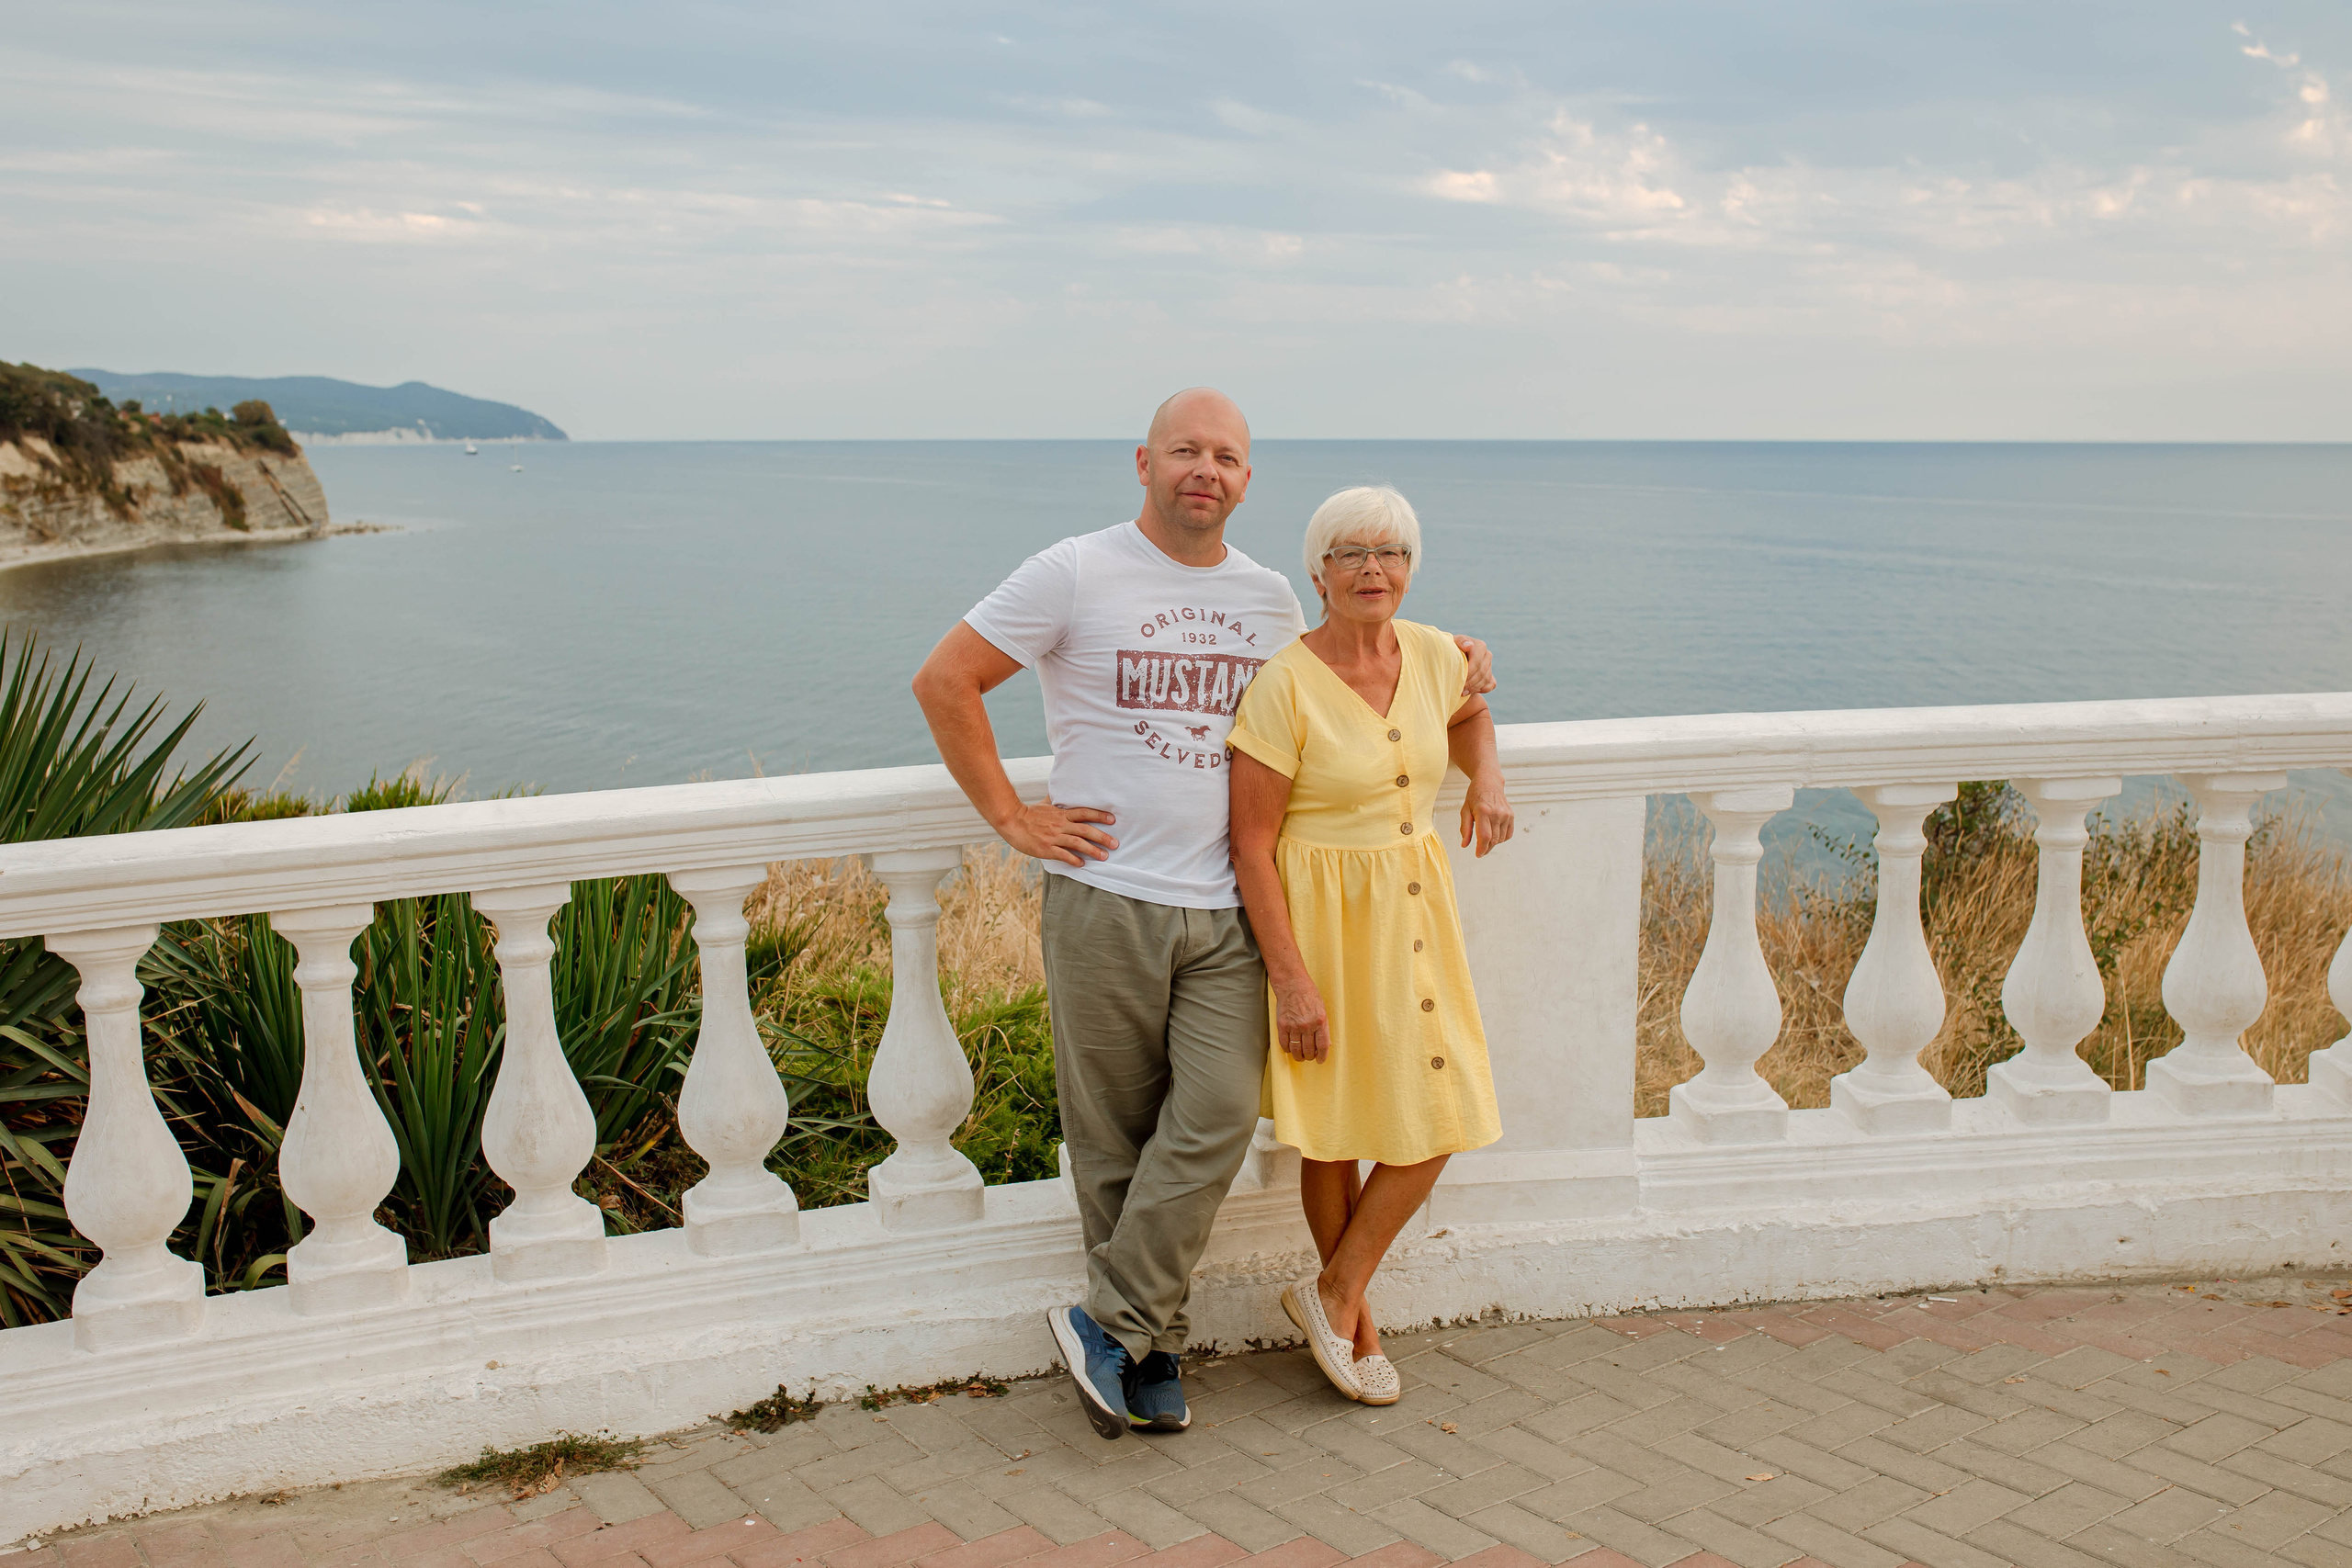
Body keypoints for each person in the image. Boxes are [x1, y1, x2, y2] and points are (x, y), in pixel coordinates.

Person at [911, 392, 1494, 1440]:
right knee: (1114, 1137)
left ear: (1245, 481)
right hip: (1106, 895)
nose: (1204, 470)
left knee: (1217, 1117)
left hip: (1227, 907)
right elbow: (947, 679)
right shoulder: (1075, 570)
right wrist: (1009, 816)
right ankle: (1150, 1346)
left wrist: (1454, 655)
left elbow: (1350, 666)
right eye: (1184, 450)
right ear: (1144, 463)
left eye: (1225, 456)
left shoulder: (1269, 597)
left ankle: (1106, 1324)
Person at [1226, 484, 1513, 1405]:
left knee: (1445, 1108)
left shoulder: (1434, 654)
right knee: (1334, 1130)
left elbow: (1467, 715)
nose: (1371, 570)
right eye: (1349, 553)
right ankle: (1356, 1324)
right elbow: (1250, 845)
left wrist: (1486, 780)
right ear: (1318, 573)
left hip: (1415, 911)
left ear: (1410, 569)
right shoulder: (1283, 684)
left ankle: (1331, 1291)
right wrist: (1291, 981)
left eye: (1389, 553)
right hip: (1323, 925)